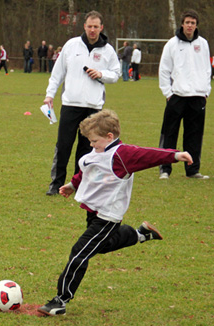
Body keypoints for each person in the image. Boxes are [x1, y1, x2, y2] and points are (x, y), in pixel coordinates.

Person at [37, 110, 193, 317]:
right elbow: (87, 170)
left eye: (94, 141)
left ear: (109, 137)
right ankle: (140, 234)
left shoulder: (122, 154)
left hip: (108, 216)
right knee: (100, 246)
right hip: (93, 212)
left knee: (80, 253)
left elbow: (148, 155)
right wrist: (72, 185)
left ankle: (60, 300)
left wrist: (174, 155)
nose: (91, 145)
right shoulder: (98, 151)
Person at [43, 10, 120, 196]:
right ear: (84, 27)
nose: (92, 30)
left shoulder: (108, 50)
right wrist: (49, 95)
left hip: (94, 108)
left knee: (87, 148)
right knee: (63, 145)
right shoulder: (71, 45)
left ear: (101, 28)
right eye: (89, 26)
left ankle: (80, 184)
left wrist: (101, 74)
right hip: (71, 104)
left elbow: (116, 74)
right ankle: (56, 184)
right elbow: (57, 73)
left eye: (95, 27)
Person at [158, 9, 211, 180]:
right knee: (170, 133)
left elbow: (206, 69)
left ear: (196, 25)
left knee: (194, 135)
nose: (190, 26)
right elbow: (164, 70)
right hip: (177, 97)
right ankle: (165, 169)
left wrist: (205, 91)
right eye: (187, 22)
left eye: (193, 23)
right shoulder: (172, 44)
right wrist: (168, 93)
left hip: (197, 97)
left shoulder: (202, 44)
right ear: (182, 24)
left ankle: (192, 170)